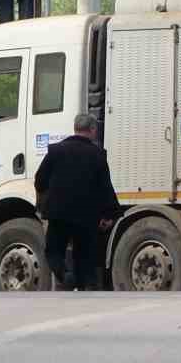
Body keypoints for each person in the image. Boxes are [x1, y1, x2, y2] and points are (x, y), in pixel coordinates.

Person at [34, 113, 120, 290]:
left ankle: (64, 275)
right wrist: (109, 214)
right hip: (86, 216)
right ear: (93, 130)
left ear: (75, 128)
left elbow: (39, 180)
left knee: (54, 251)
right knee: (84, 255)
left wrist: (45, 202)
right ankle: (84, 286)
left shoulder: (55, 150)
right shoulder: (98, 154)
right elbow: (105, 187)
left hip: (59, 214)